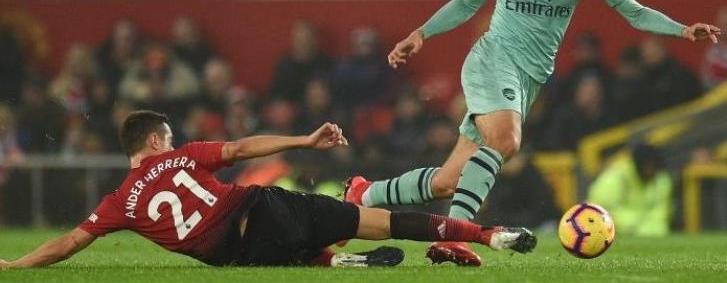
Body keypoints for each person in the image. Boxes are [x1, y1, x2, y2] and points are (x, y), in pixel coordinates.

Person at [342, 0, 721, 266]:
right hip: (493, 60)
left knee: (448, 180)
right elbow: (467, 3)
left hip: (529, 79)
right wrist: (422, 33)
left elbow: (635, 12)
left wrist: (682, 30)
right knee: (506, 142)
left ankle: (364, 194)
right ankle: (454, 238)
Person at [0, 110, 534, 269]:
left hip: (241, 252)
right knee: (390, 222)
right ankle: (488, 235)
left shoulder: (120, 202)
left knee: (283, 258)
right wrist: (304, 139)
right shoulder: (182, 155)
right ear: (158, 139)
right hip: (264, 206)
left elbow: (68, 243)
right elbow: (239, 150)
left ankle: (334, 264)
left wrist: (15, 267)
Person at [587, 143, 672, 237]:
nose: (650, 170)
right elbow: (602, 212)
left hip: (645, 229)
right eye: (647, 166)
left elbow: (661, 212)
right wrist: (638, 224)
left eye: (654, 167)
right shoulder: (615, 177)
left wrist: (647, 225)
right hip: (605, 231)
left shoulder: (661, 180)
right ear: (638, 164)